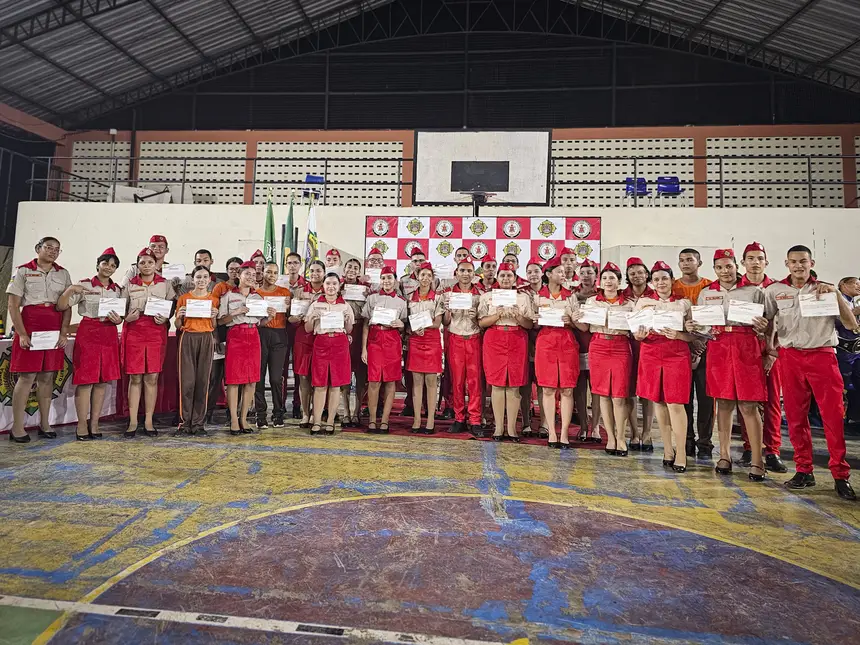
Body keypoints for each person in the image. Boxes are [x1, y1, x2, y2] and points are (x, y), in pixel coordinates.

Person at [763, 245, 857, 501]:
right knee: (795, 417)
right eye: (793, 261)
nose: (798, 266)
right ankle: (804, 470)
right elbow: (768, 320)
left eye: (803, 261)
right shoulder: (775, 291)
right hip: (790, 357)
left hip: (823, 355)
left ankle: (840, 475)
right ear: (786, 263)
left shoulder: (825, 290)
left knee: (833, 418)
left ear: (811, 262)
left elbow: (851, 325)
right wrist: (770, 348)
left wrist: (836, 294)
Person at [688, 249, 768, 482]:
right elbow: (704, 327)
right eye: (720, 267)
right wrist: (694, 326)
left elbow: (768, 322)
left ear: (737, 266)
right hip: (719, 346)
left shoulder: (754, 291)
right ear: (714, 269)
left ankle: (757, 460)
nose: (725, 271)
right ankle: (724, 455)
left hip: (746, 346)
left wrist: (763, 329)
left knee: (748, 405)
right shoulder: (706, 293)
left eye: (729, 266)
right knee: (722, 403)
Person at [5, 237, 73, 443]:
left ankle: (45, 424)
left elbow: (67, 305)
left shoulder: (63, 273)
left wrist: (63, 332)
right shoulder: (22, 271)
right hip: (31, 325)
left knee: (47, 377)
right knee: (26, 377)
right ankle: (17, 427)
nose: (53, 252)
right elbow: (13, 305)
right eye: (48, 247)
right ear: (38, 249)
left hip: (53, 326)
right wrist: (22, 333)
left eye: (57, 249)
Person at [633, 261, 694, 473]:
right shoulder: (643, 303)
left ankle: (682, 453)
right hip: (651, 353)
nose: (660, 283)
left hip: (676, 354)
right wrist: (638, 336)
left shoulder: (684, 303)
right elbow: (636, 331)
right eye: (656, 279)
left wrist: (679, 334)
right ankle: (668, 450)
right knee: (658, 401)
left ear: (671, 280)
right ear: (652, 282)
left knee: (676, 404)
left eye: (664, 278)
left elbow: (693, 334)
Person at [57, 248, 121, 441]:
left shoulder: (117, 289)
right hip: (88, 334)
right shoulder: (84, 285)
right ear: (98, 264)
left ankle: (95, 423)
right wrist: (69, 290)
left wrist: (119, 321)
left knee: (102, 381)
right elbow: (61, 306)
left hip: (109, 334)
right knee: (85, 381)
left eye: (113, 265)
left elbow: (121, 315)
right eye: (105, 264)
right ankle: (82, 424)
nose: (108, 268)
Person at [737, 242, 787, 472]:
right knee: (746, 402)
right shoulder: (736, 289)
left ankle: (773, 450)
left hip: (773, 352)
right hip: (745, 353)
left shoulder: (777, 288)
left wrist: (772, 352)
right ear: (743, 262)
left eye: (759, 258)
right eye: (750, 258)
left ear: (766, 261)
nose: (755, 262)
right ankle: (750, 447)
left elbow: (783, 323)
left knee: (772, 402)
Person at [121, 247, 176, 438]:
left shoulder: (165, 284)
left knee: (152, 377)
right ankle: (133, 421)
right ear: (137, 265)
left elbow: (171, 307)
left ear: (156, 265)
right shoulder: (129, 284)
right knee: (135, 377)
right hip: (135, 331)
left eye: (150, 262)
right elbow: (121, 310)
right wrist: (126, 318)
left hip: (156, 332)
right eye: (142, 262)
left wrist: (166, 318)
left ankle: (149, 421)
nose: (146, 265)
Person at [478, 262, 534, 441]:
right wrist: (497, 315)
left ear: (515, 278)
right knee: (497, 384)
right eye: (502, 275)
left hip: (517, 339)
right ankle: (498, 427)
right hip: (495, 338)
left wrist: (518, 316)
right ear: (497, 277)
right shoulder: (487, 296)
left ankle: (511, 428)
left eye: (509, 275)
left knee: (514, 384)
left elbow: (530, 324)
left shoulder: (523, 298)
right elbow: (481, 322)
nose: (505, 279)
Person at [581, 262, 633, 455]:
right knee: (603, 394)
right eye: (605, 278)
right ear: (599, 281)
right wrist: (579, 318)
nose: (608, 281)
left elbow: (635, 329)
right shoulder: (592, 302)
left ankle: (621, 438)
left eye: (612, 278)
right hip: (599, 346)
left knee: (619, 396)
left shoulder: (629, 304)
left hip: (620, 346)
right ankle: (610, 437)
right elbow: (586, 327)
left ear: (619, 281)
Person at [218, 261, 275, 436]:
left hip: (253, 336)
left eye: (253, 274)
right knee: (234, 380)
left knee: (251, 380)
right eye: (247, 274)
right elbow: (220, 321)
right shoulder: (228, 296)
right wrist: (236, 312)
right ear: (239, 276)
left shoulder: (258, 298)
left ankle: (244, 419)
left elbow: (261, 322)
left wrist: (270, 317)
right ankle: (234, 419)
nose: (250, 277)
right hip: (236, 335)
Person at [532, 257, 580, 448]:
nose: (563, 274)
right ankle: (551, 430)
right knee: (548, 388)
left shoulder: (571, 296)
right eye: (559, 272)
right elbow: (533, 325)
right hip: (546, 343)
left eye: (564, 272)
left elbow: (580, 325)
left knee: (567, 389)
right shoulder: (537, 296)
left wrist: (571, 321)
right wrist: (535, 320)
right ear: (548, 274)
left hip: (567, 343)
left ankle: (565, 432)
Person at [673, 248, 714, 459]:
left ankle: (705, 443)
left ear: (699, 262)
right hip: (680, 348)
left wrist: (701, 341)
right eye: (681, 260)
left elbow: (715, 317)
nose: (685, 263)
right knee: (683, 397)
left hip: (706, 346)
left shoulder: (710, 286)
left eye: (689, 259)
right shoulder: (673, 286)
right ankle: (686, 439)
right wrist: (688, 342)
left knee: (707, 398)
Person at [304, 272, 355, 435]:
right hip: (321, 342)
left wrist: (347, 320)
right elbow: (308, 329)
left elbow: (349, 329)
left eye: (334, 284)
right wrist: (312, 317)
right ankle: (317, 421)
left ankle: (331, 422)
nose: (331, 287)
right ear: (323, 286)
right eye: (328, 284)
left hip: (339, 344)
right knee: (319, 384)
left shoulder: (345, 306)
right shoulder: (315, 304)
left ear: (339, 286)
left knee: (336, 384)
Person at [174, 265, 220, 437]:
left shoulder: (214, 300)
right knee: (187, 382)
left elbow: (214, 326)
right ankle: (185, 422)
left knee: (203, 381)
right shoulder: (184, 298)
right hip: (188, 337)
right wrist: (179, 316)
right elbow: (178, 325)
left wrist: (214, 316)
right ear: (193, 279)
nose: (201, 280)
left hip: (206, 338)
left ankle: (199, 423)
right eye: (198, 277)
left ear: (210, 280)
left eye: (205, 277)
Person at [362, 266, 407, 433]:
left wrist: (401, 325)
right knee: (374, 381)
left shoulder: (402, 302)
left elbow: (404, 325)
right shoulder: (372, 299)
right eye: (384, 278)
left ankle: (385, 421)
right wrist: (364, 349)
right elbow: (366, 325)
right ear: (380, 280)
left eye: (390, 278)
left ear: (395, 280)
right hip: (375, 339)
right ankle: (373, 420)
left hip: (392, 340)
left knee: (390, 381)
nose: (387, 281)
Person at [442, 256, 484, 437]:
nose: (465, 274)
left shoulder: (480, 295)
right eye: (462, 270)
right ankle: (459, 417)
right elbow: (445, 322)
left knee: (474, 382)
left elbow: (483, 322)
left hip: (474, 338)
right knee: (457, 381)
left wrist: (476, 316)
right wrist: (448, 311)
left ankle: (475, 419)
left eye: (469, 271)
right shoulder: (447, 293)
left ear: (474, 274)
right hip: (456, 339)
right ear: (456, 273)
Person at [622, 257, 656, 452]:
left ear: (646, 274)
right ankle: (634, 433)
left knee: (648, 392)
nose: (636, 276)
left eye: (640, 272)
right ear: (627, 276)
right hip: (627, 346)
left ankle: (647, 432)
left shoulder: (655, 295)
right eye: (632, 273)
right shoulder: (622, 296)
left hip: (650, 346)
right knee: (629, 391)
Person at [406, 262, 444, 434]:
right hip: (415, 341)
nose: (426, 278)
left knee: (431, 381)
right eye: (423, 275)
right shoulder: (409, 298)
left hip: (432, 341)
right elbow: (407, 323)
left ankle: (430, 420)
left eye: (429, 275)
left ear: (433, 278)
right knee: (416, 382)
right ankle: (416, 419)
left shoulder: (437, 298)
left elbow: (437, 322)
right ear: (417, 277)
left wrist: (424, 326)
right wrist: (412, 328)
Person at [254, 261, 291, 429]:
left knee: (276, 378)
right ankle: (260, 414)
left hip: (279, 336)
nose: (272, 276)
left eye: (275, 273)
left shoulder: (285, 293)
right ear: (263, 272)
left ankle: (278, 412)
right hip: (261, 335)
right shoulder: (256, 293)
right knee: (259, 377)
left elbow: (292, 316)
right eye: (269, 272)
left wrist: (292, 308)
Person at [289, 260, 325, 428]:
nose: (315, 274)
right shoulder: (299, 291)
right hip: (303, 337)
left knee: (320, 377)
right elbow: (291, 317)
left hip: (322, 338)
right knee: (303, 376)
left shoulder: (330, 291)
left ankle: (317, 413)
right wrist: (295, 318)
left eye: (319, 270)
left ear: (324, 273)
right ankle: (305, 413)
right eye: (312, 271)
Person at [208, 257, 242, 423]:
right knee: (216, 377)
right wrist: (215, 336)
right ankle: (208, 413)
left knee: (235, 379)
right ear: (227, 270)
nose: (234, 272)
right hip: (221, 334)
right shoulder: (220, 287)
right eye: (232, 269)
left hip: (238, 338)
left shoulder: (245, 289)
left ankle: (233, 413)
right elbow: (213, 312)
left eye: (237, 269)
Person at [574, 257, 601, 443]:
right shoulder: (571, 295)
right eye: (582, 273)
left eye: (590, 272)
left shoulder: (601, 295)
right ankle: (583, 424)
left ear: (596, 275)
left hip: (597, 344)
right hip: (576, 343)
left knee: (597, 388)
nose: (585, 276)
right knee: (579, 388)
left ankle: (596, 426)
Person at [342, 257, 370, 428]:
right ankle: (345, 411)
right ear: (344, 270)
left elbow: (369, 313)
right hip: (343, 330)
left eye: (355, 268)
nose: (351, 270)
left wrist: (368, 296)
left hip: (360, 331)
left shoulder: (365, 290)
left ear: (359, 272)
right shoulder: (336, 286)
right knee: (344, 374)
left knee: (360, 375)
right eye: (349, 267)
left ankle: (357, 411)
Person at [522, 257, 545, 437]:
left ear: (542, 273)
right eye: (529, 272)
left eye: (536, 271)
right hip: (524, 341)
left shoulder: (549, 293)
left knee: (544, 385)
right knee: (524, 384)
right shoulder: (521, 293)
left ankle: (544, 423)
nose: (533, 275)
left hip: (545, 342)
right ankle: (526, 422)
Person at [282, 251, 306, 419]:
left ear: (300, 265)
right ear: (286, 265)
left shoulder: (307, 285)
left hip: (298, 329)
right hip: (281, 328)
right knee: (281, 369)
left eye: (295, 263)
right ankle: (280, 403)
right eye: (289, 263)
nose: (292, 266)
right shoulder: (279, 284)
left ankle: (297, 404)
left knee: (298, 369)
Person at [836, 276, 860, 424]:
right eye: (855, 283)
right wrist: (853, 314)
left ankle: (855, 416)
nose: (858, 286)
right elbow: (836, 322)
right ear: (843, 284)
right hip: (842, 351)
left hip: (856, 351)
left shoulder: (854, 302)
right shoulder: (838, 301)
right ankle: (847, 418)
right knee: (846, 386)